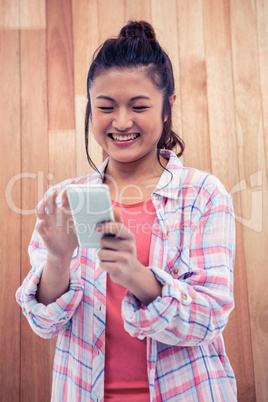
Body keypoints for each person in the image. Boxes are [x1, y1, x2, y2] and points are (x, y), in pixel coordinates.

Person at [16, 21, 237, 402]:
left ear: (168, 107)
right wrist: (58, 257)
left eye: (139, 106)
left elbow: (209, 317)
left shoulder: (201, 194)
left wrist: (136, 275)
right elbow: (45, 323)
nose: (120, 122)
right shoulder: (69, 199)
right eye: (105, 107)